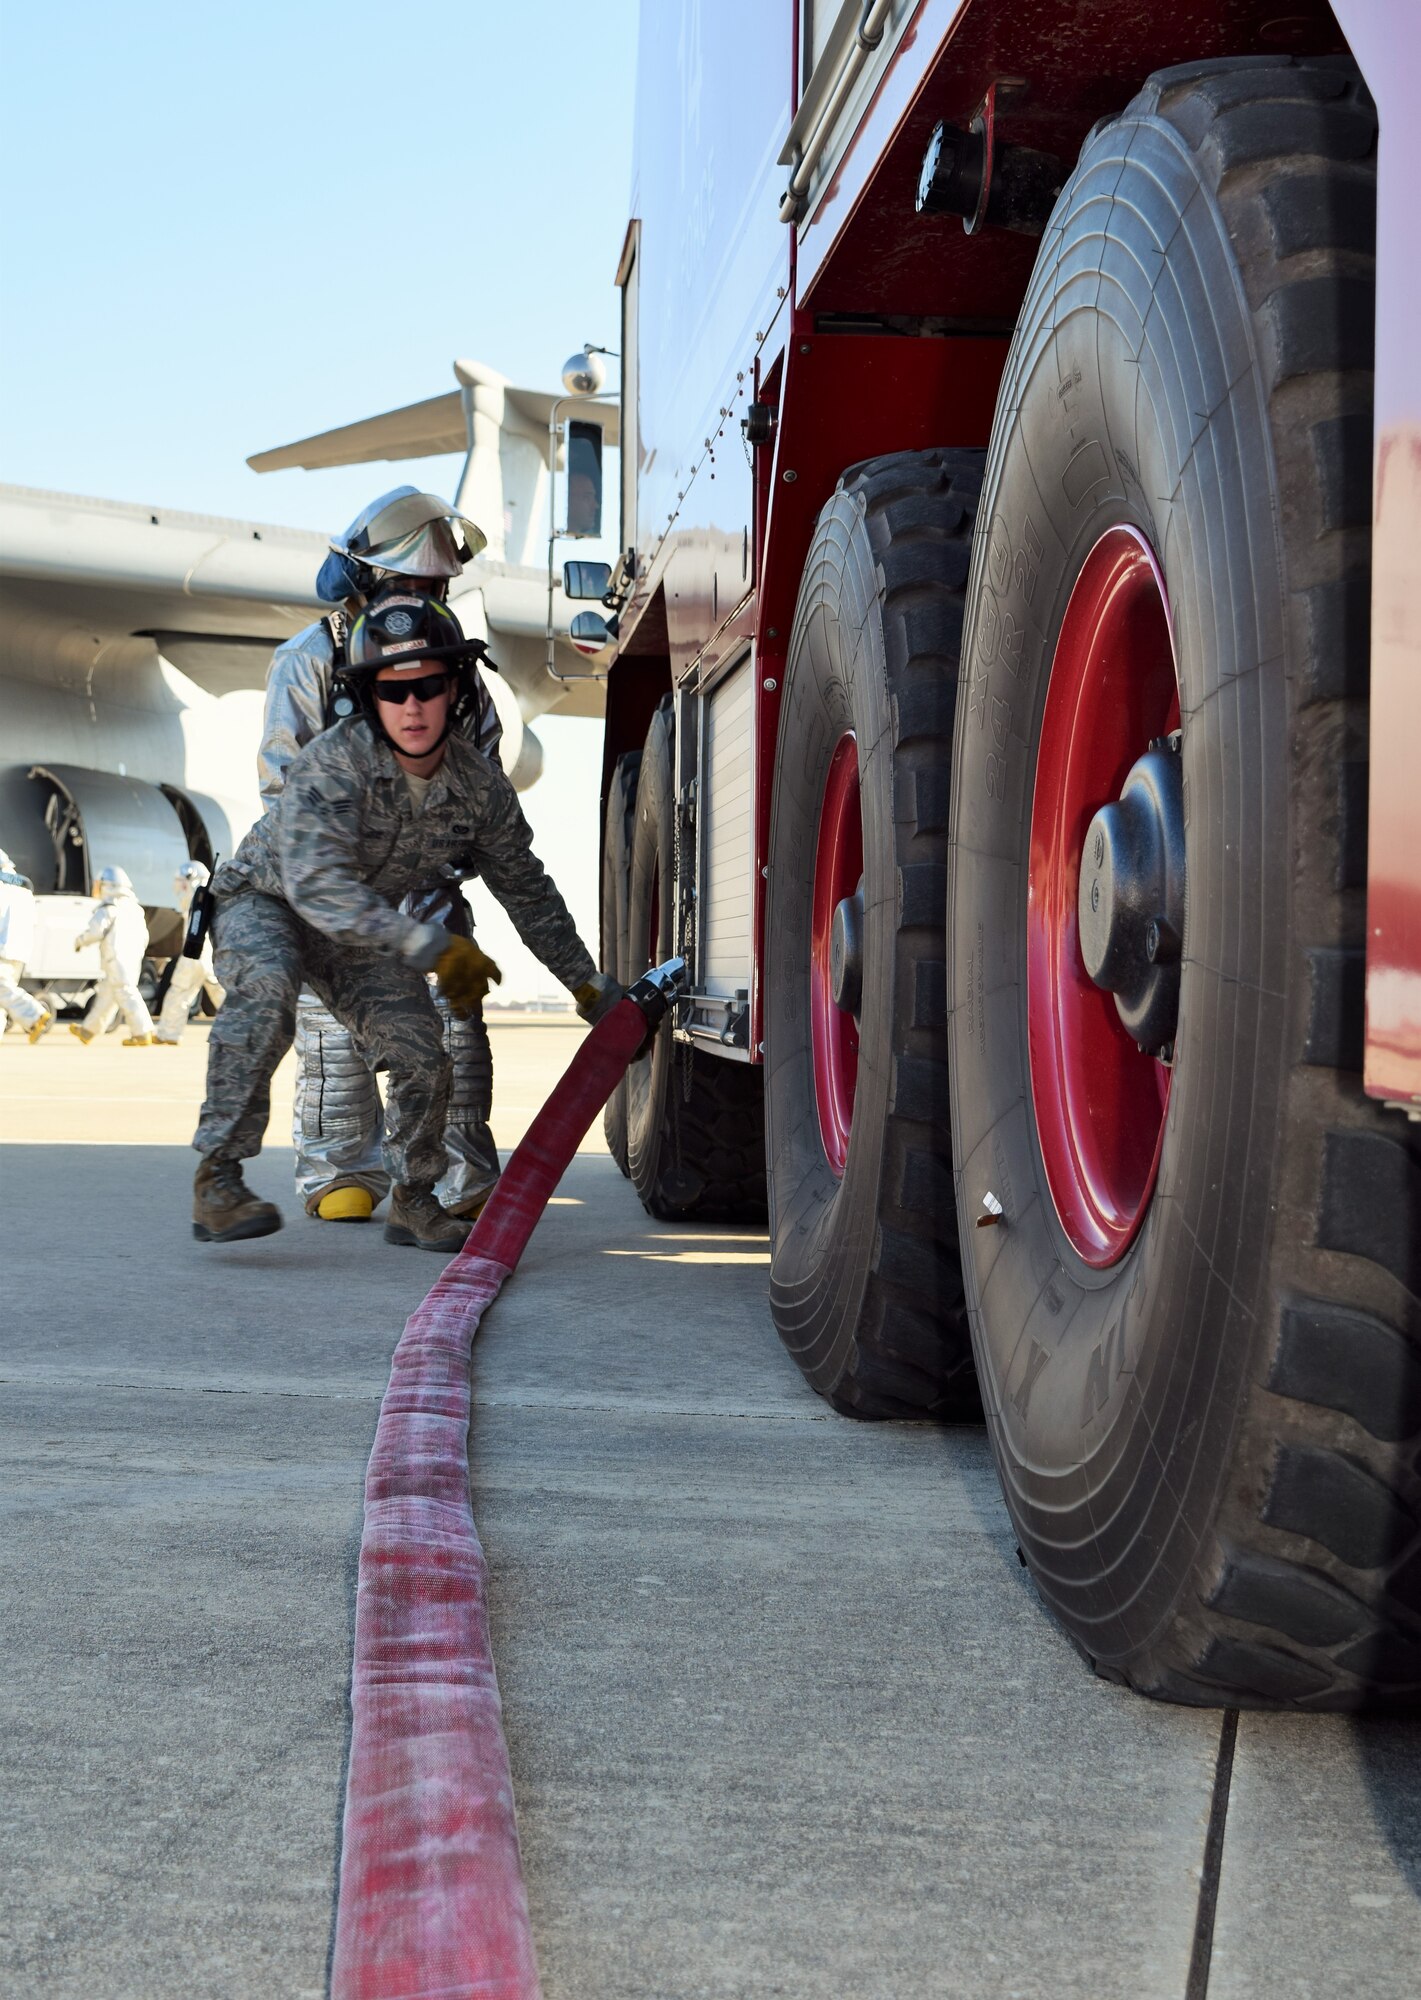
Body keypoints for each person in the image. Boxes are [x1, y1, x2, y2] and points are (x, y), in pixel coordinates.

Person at [191, 589, 620, 1250]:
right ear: (369, 700)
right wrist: (432, 946)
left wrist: (586, 986)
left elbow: (526, 889)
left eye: (427, 686)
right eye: (392, 692)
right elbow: (317, 886)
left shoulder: (479, 789)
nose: (412, 706)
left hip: (358, 932)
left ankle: (414, 1197)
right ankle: (218, 1177)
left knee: (423, 1043)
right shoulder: (331, 766)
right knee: (268, 987)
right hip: (266, 903)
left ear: (456, 691)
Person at [262, 487, 503, 1225]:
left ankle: (458, 1171)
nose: (425, 602)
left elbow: (484, 769)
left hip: (428, 882)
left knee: (452, 1028)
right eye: (412, 588)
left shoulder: (459, 674)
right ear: (366, 583)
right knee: (337, 1031)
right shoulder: (308, 662)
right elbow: (281, 779)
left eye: (436, 590)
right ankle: (342, 1168)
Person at [70, 866, 155, 1045]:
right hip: (132, 959)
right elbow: (145, 937)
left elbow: (95, 931)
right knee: (108, 995)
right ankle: (88, 1030)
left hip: (115, 958)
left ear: (108, 886)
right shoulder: (135, 909)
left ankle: (142, 1031)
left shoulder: (109, 908)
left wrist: (80, 941)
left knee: (126, 993)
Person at [154, 860, 225, 1043]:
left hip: (195, 954)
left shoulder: (200, 897)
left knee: (178, 993)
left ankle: (168, 1033)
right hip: (208, 956)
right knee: (222, 994)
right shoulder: (211, 895)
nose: (180, 888)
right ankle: (245, 1027)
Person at [0, 850, 51, 1043]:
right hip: (20, 950)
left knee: (2, 989)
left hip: (2, 948)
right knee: (2, 997)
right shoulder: (23, 889)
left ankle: (34, 1014)